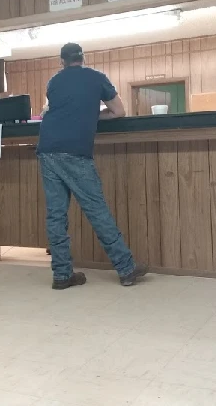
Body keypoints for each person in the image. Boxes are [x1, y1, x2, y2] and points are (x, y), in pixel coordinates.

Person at [37, 42, 148, 290]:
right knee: (96, 210)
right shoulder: (97, 78)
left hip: (47, 147)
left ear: (62, 61)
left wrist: (85, 113)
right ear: (82, 58)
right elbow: (119, 111)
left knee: (56, 215)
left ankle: (62, 274)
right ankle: (126, 268)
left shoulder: (54, 81)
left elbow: (54, 111)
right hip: (75, 150)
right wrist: (93, 114)